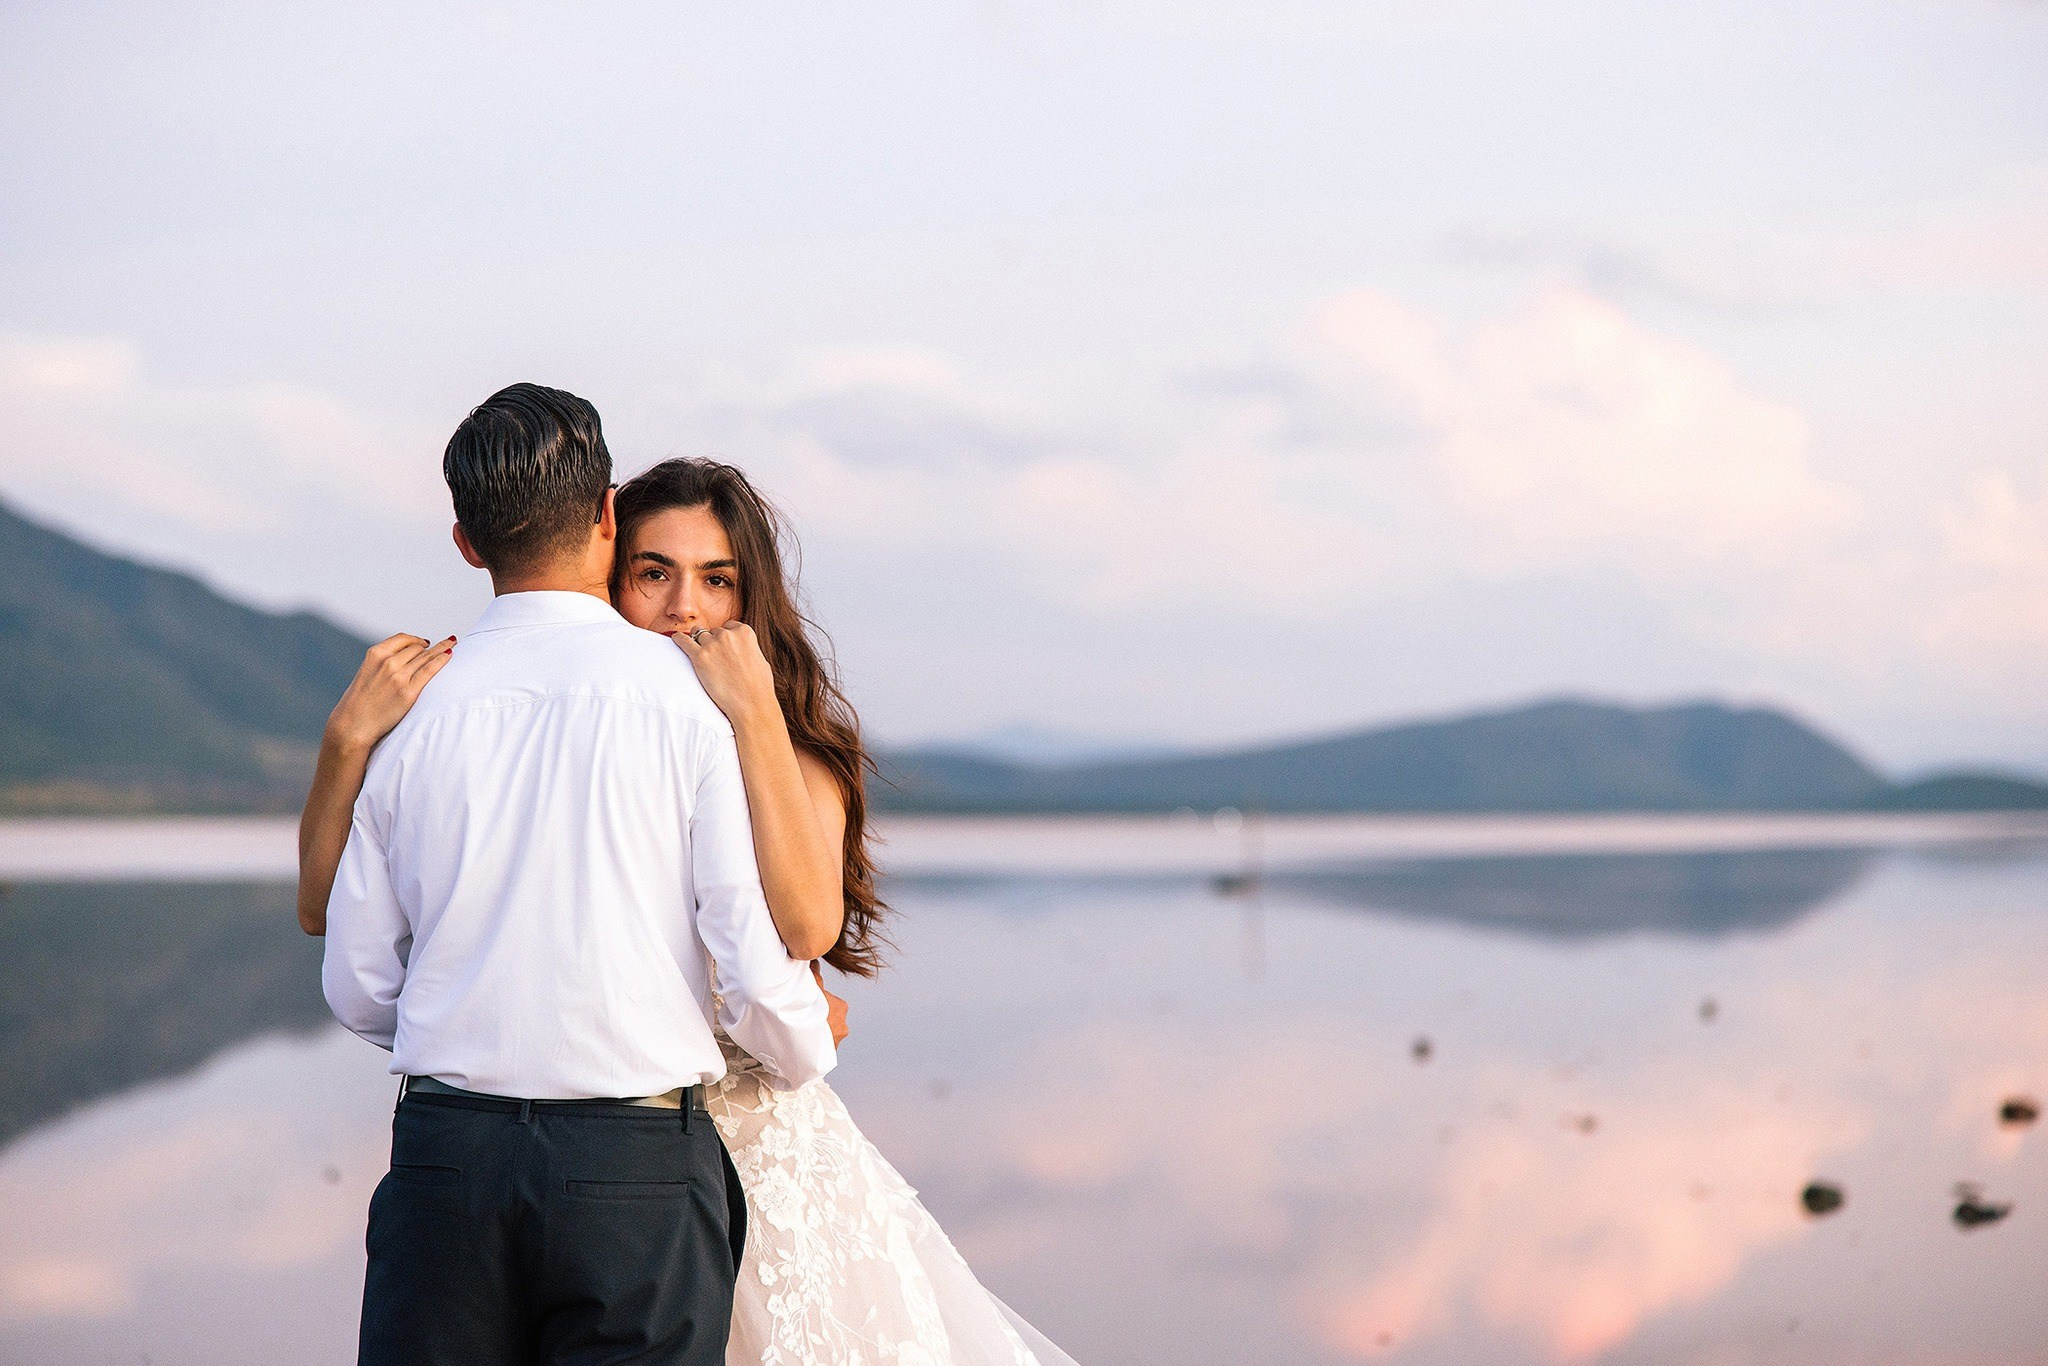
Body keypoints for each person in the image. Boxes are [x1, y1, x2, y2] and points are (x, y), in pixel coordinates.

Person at [303, 444, 1081, 1363]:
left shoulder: (767, 745)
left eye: (717, 579)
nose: (686, 607)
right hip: (634, 1138)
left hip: (723, 1128)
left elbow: (805, 929)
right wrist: (349, 743)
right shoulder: (626, 715)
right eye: (655, 573)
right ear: (606, 559)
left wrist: (752, 715)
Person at [317, 383, 839, 1366]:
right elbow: (741, 938)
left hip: (444, 1161)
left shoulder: (409, 713)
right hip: (633, 1170)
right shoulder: (689, 706)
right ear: (607, 515)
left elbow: (355, 983)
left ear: (467, 542)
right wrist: (802, 1048)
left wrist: (475, 1019)